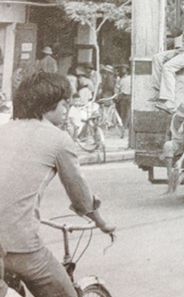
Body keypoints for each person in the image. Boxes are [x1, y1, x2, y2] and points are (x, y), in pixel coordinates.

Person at [0, 71, 115, 297]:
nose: (66, 109)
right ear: (48, 104)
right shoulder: (58, 139)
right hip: (18, 245)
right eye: (64, 103)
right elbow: (81, 196)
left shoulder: (3, 131)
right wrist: (102, 223)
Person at [161, 103, 184, 194]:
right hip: (173, 144)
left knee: (177, 166)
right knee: (167, 145)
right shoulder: (172, 117)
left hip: (182, 146)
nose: (181, 118)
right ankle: (169, 175)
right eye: (180, 116)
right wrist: (164, 151)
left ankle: (172, 183)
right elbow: (167, 134)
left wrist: (181, 160)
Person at [116, 65, 131, 129]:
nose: (122, 71)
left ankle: (124, 124)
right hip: (124, 96)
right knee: (124, 111)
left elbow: (117, 88)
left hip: (127, 96)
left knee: (126, 111)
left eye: (123, 69)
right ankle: (123, 124)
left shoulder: (130, 78)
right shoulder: (121, 79)